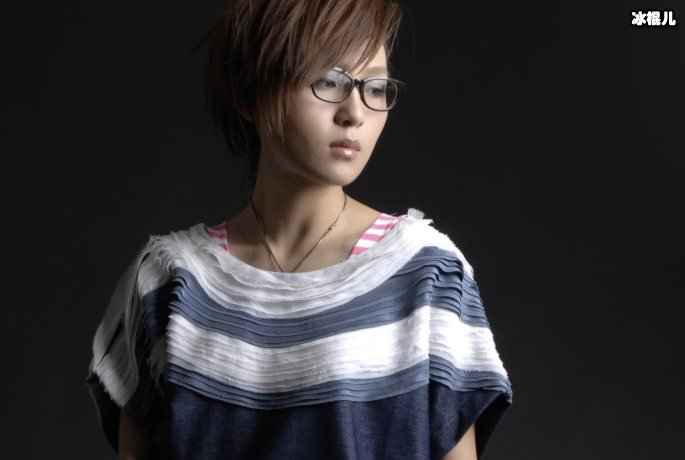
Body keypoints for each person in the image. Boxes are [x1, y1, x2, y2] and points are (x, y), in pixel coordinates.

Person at [85, 1, 512, 459]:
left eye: (375, 87)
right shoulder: (168, 281)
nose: (354, 112)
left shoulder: (425, 272)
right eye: (328, 80)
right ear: (249, 94)